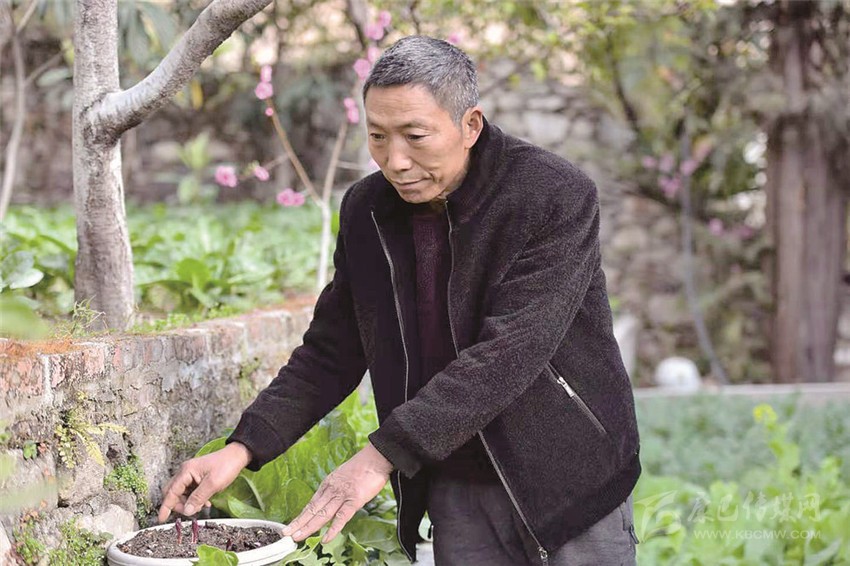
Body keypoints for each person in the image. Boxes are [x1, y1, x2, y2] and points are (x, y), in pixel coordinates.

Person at [158, 35, 641, 566]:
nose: (396, 161)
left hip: (567, 476)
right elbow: (332, 350)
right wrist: (244, 446)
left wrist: (380, 456)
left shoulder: (552, 194)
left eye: (415, 136)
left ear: (470, 126)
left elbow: (511, 351)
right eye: (377, 137)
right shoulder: (367, 211)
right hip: (455, 481)